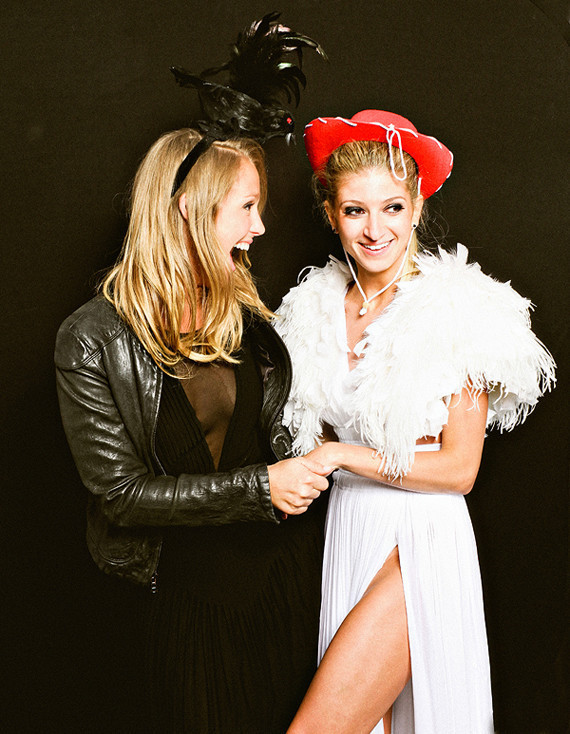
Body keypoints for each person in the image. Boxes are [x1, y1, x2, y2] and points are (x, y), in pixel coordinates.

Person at [274, 110, 556, 733]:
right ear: (331, 214)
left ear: (418, 207)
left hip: (420, 542)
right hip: (350, 532)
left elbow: (459, 470)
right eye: (355, 211)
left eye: (393, 208)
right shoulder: (312, 309)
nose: (375, 230)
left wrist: (339, 456)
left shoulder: (458, 308)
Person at [54, 128, 330, 733]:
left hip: (285, 585)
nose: (260, 227)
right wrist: (262, 487)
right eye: (246, 207)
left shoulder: (246, 314)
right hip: (190, 606)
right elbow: (121, 497)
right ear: (189, 207)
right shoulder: (92, 339)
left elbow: (275, 431)